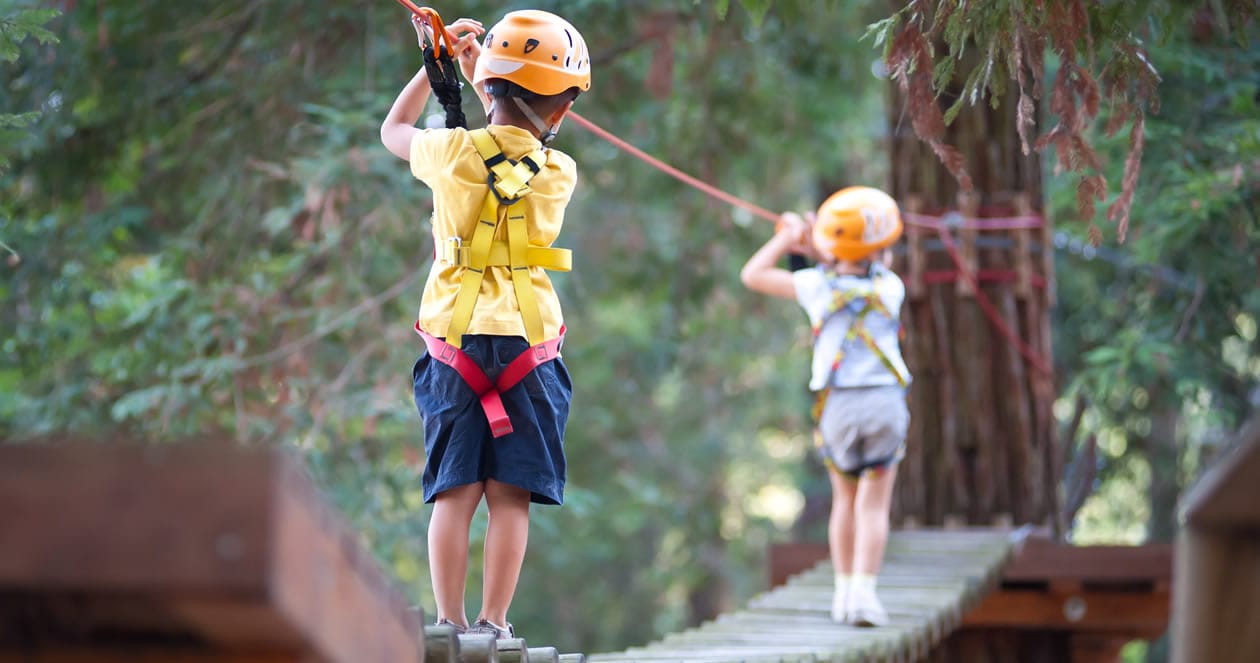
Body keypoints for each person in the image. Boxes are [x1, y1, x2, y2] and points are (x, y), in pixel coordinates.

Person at [379, 8, 592, 639]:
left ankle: (447, 618)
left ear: (493, 87)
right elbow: (520, 142)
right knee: (510, 497)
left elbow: (394, 129)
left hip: (456, 345)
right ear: (564, 110)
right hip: (530, 347)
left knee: (455, 492)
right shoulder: (560, 172)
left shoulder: (448, 153)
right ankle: (493, 622)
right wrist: (480, 76)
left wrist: (434, 65)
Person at [739, 187, 910, 627]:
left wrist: (789, 236)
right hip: (885, 405)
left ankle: (842, 594)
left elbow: (753, 274)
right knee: (873, 505)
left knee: (844, 502)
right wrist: (818, 236)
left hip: (838, 407)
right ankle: (865, 596)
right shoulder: (891, 287)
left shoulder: (814, 287)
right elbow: (860, 253)